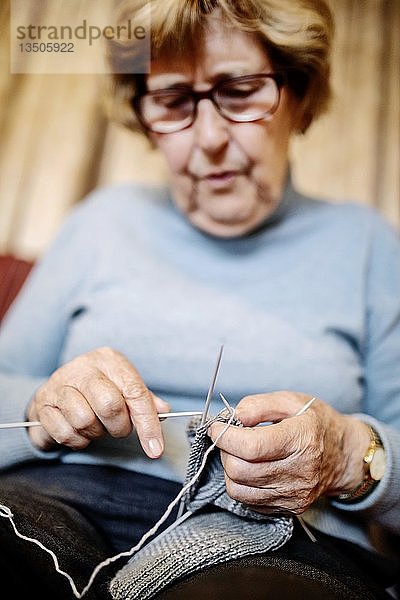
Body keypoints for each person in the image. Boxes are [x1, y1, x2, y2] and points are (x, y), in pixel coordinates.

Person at [0, 0, 399, 598]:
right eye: (173, 101)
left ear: (300, 96)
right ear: (143, 115)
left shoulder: (367, 244)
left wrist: (347, 455)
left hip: (288, 539)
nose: (209, 139)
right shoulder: (100, 224)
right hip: (57, 499)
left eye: (239, 91)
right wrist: (43, 405)